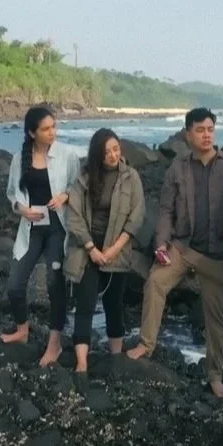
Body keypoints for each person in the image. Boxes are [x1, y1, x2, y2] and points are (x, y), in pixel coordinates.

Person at [128, 107, 223, 399]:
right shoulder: (177, 168)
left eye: (210, 129)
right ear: (187, 133)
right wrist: (160, 243)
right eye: (200, 130)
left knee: (215, 317)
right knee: (155, 282)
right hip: (182, 246)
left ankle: (215, 375)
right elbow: (166, 210)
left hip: (218, 252)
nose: (206, 135)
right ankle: (146, 344)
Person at [60, 128, 147, 369]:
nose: (112, 155)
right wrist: (91, 248)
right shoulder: (84, 179)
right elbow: (74, 217)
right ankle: (81, 364)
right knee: (85, 303)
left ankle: (116, 358)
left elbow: (136, 217)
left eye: (116, 149)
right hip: (87, 250)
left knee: (113, 304)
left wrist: (112, 250)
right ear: (97, 154)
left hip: (116, 250)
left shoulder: (131, 177)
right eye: (106, 151)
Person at [1, 104, 83, 345]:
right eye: (46, 129)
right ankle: (22, 329)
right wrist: (21, 209)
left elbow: (78, 186)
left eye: (53, 127)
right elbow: (12, 194)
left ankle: (55, 341)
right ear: (32, 133)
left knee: (53, 283)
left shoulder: (67, 155)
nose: (52, 132)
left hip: (58, 228)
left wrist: (65, 196)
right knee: (15, 284)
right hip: (31, 229)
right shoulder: (19, 159)